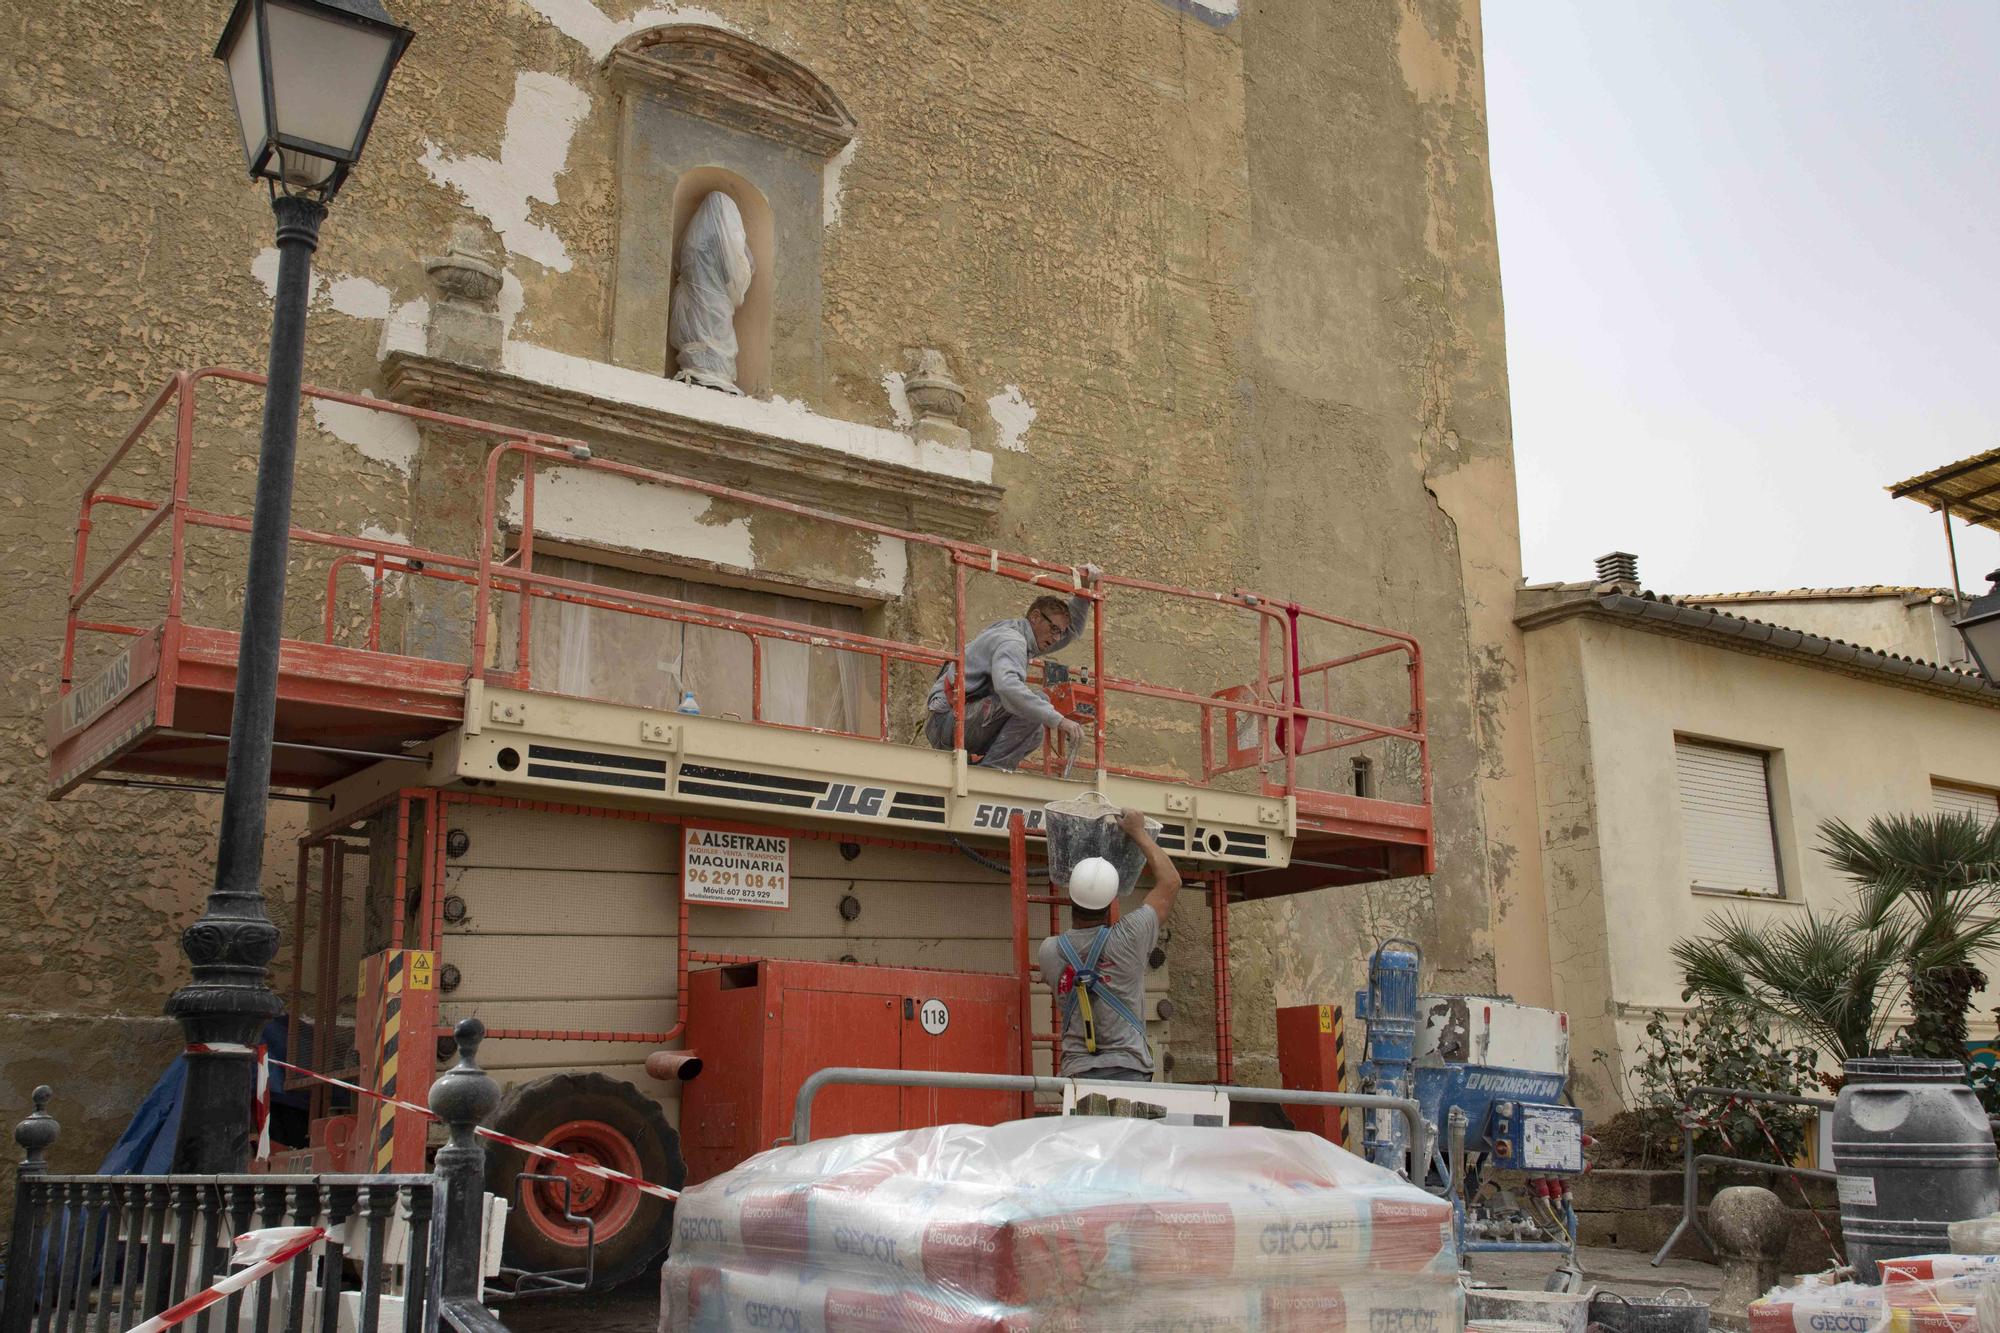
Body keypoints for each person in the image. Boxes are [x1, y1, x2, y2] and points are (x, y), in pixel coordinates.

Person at [1036, 809, 1182, 1083]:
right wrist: (1138, 832)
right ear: (1111, 900)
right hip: (1128, 1072)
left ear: (1071, 897)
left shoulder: (1049, 952)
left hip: (1076, 1075)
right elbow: (1171, 882)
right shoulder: (1130, 937)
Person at [925, 566, 1099, 770]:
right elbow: (1008, 687)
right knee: (1035, 706)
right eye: (1053, 629)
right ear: (1035, 617)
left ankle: (987, 767)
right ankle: (991, 772)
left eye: (1059, 632)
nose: (1056, 638)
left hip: (956, 719)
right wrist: (1060, 721)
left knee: (1035, 733)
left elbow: (1071, 632)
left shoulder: (1021, 635)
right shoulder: (1013, 641)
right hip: (947, 723)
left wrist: (1084, 591)